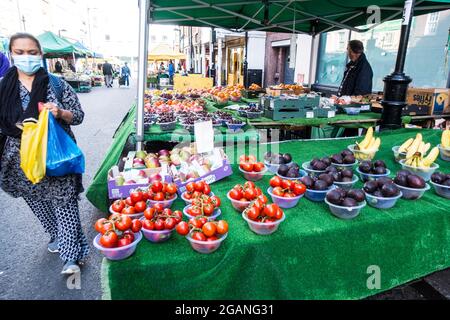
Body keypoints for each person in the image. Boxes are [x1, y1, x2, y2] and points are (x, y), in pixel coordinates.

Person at [0, 33, 88, 275]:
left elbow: (78, 116)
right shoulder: (3, 87)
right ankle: (57, 234)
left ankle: (70, 258)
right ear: (11, 54)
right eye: (20, 52)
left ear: (41, 54)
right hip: (20, 161)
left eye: (32, 52)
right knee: (38, 202)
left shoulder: (57, 84)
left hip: (56, 155)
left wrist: (59, 112)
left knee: (65, 203)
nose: (26, 57)